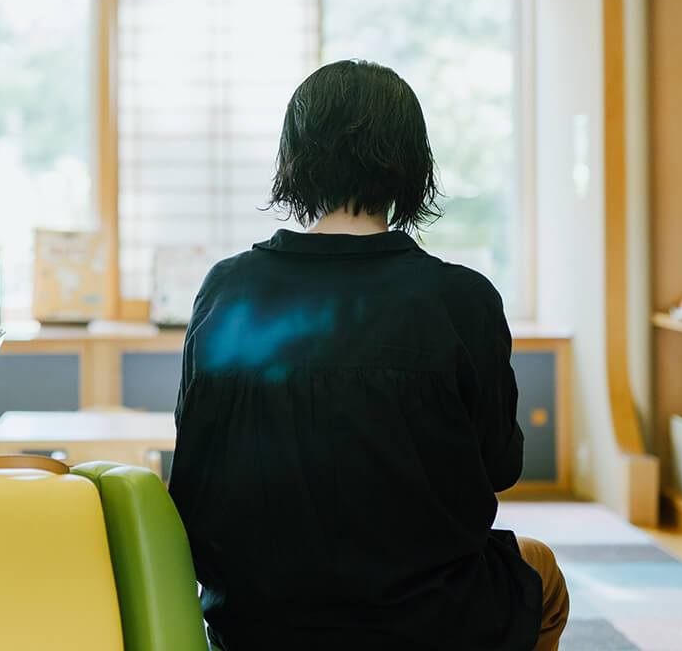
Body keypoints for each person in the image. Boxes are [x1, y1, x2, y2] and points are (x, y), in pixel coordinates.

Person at [169, 60, 569, 651]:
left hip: (259, 626)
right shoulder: (461, 298)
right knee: (542, 577)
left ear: (293, 161)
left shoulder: (226, 291)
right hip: (429, 621)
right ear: (413, 166)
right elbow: (499, 468)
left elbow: (197, 471)